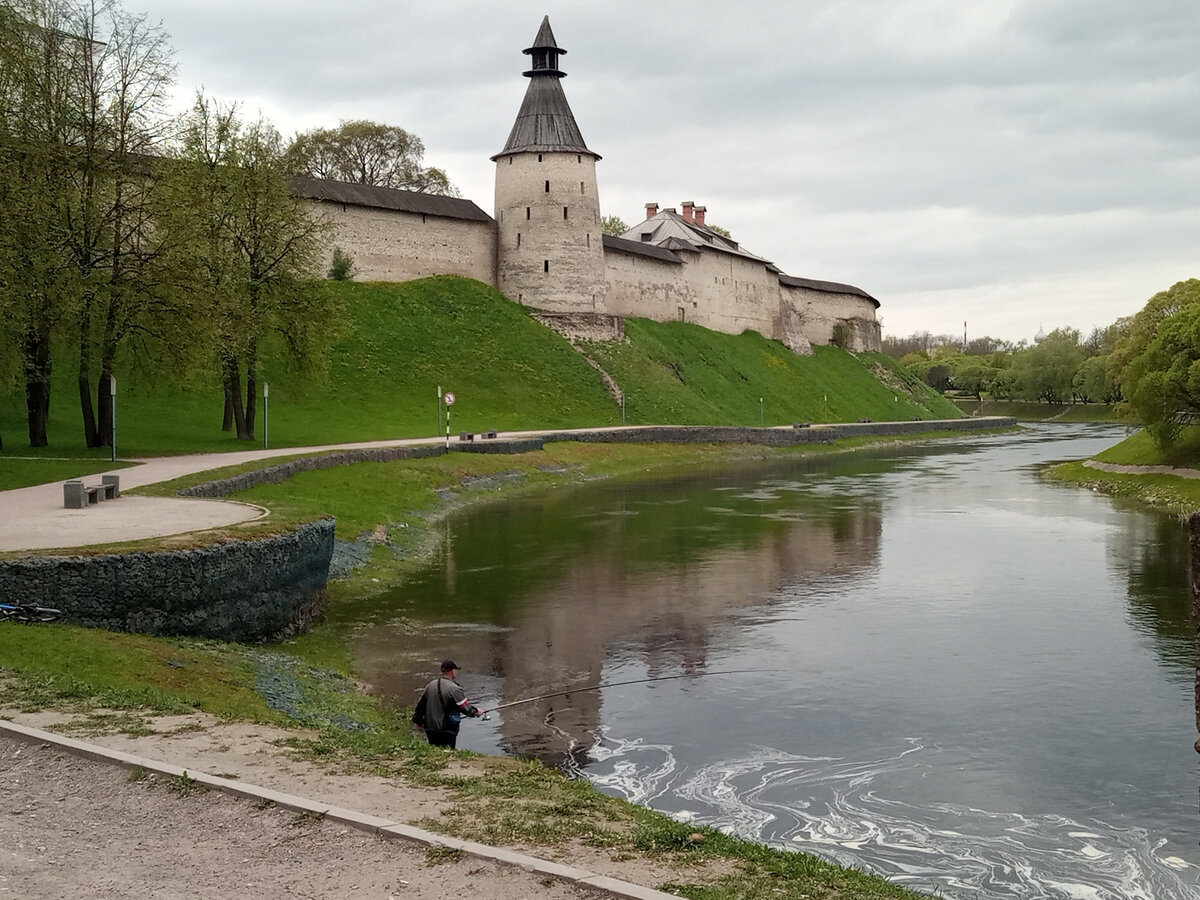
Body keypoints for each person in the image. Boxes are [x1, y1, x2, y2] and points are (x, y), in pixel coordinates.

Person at [411, 659, 482, 748]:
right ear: (452, 671)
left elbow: (420, 706)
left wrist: (418, 721)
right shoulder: (455, 688)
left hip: (430, 729)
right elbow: (465, 707)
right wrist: (476, 712)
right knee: (448, 753)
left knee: (435, 753)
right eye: (456, 670)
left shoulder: (430, 685)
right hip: (447, 729)